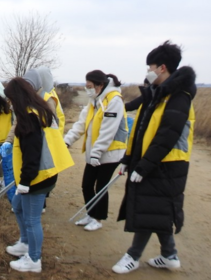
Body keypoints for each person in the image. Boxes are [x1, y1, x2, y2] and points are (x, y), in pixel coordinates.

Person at [112, 41, 196, 274]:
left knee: (148, 208)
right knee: (157, 210)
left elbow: (167, 136)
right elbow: (141, 130)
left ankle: (133, 255)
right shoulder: (158, 94)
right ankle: (169, 255)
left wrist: (144, 166)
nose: (147, 71)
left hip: (166, 165)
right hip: (151, 162)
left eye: (150, 66)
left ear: (162, 67)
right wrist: (128, 160)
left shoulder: (179, 95)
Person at [3, 77, 74, 273]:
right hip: (36, 173)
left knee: (32, 219)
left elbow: (33, 153)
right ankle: (25, 243)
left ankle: (34, 259)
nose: (9, 103)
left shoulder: (31, 117)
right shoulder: (36, 111)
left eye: (10, 99)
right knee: (18, 207)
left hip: (38, 175)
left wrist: (26, 181)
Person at [64, 70, 128, 231]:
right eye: (86, 86)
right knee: (86, 185)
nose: (88, 90)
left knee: (101, 186)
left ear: (100, 85)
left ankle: (98, 219)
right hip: (94, 154)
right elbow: (81, 124)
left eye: (90, 86)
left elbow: (108, 130)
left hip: (110, 154)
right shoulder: (94, 100)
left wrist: (96, 152)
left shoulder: (114, 100)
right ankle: (90, 213)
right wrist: (67, 141)